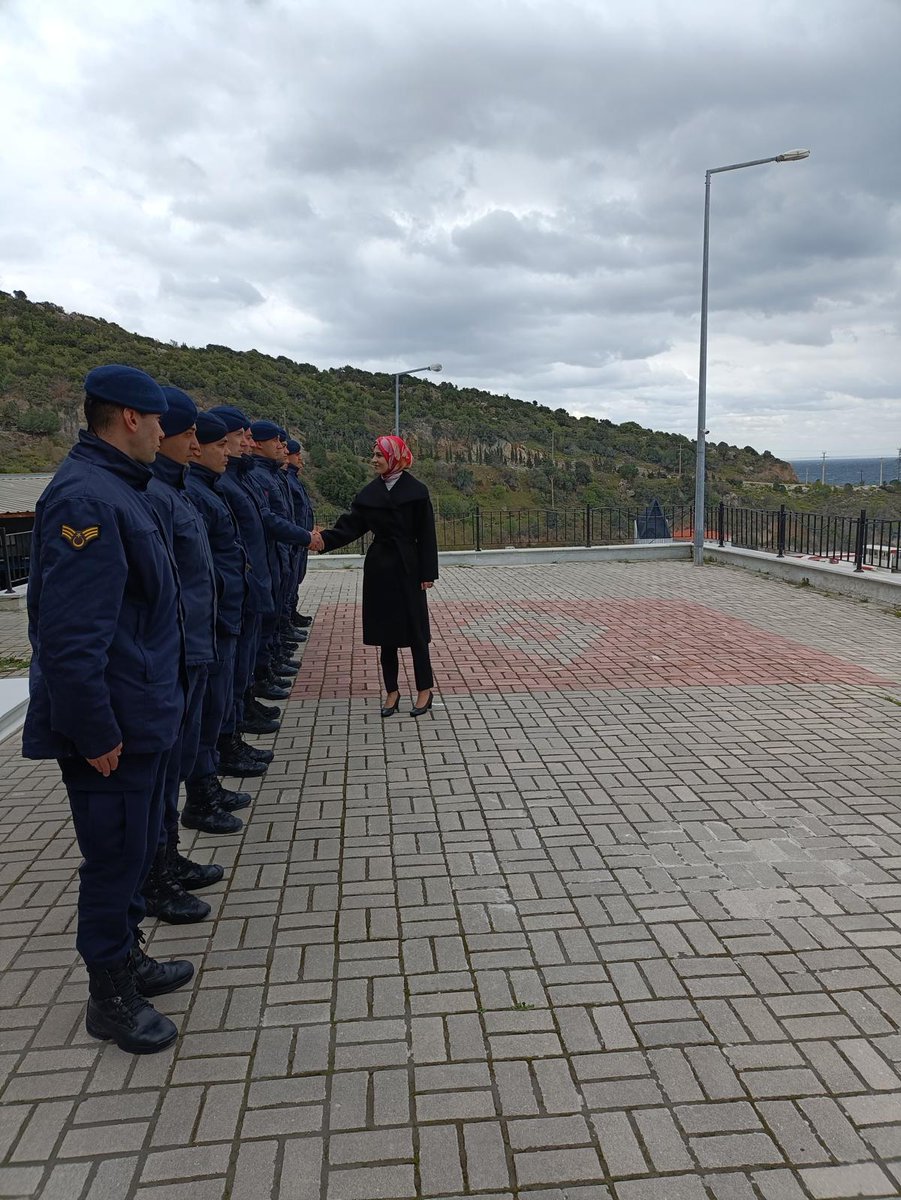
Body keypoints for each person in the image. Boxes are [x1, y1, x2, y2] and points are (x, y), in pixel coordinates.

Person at [22, 364, 193, 1055]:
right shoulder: (88, 501)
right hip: (113, 728)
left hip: (142, 713)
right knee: (114, 859)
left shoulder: (121, 489)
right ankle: (109, 998)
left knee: (133, 849)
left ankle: (129, 960)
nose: (163, 432)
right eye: (157, 421)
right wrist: (93, 731)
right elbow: (68, 638)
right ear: (128, 416)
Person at [143, 387, 222, 922]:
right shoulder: (150, 493)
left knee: (176, 762)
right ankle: (157, 873)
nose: (196, 441)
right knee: (161, 777)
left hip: (193, 645)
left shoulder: (176, 489)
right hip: (172, 656)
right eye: (187, 431)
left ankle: (167, 858)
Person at [318, 435, 438, 716]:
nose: (374, 460)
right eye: (373, 455)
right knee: (386, 634)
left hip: (409, 568)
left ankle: (425, 690)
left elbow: (427, 535)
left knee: (417, 632)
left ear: (394, 457)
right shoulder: (369, 494)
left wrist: (428, 573)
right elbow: (349, 527)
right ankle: (392, 692)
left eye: (379, 456)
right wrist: (321, 541)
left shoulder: (417, 491)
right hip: (380, 568)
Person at [184, 410, 256, 831]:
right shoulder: (191, 490)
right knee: (207, 709)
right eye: (230, 441)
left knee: (219, 701)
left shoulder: (210, 486)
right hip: (210, 622)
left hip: (227, 611)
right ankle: (202, 793)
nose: (238, 447)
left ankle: (215, 769)